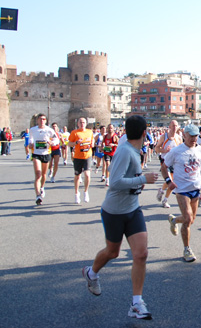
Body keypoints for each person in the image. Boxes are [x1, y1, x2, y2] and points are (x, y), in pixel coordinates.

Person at [82, 115, 158, 320]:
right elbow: (114, 182)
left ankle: (136, 303)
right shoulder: (125, 151)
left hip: (133, 209)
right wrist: (143, 179)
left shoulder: (134, 150)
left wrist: (138, 181)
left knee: (141, 254)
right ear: (144, 133)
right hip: (114, 212)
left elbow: (128, 180)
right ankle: (91, 273)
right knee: (113, 252)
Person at [161, 124, 201, 262]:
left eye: (195, 136)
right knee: (188, 219)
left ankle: (174, 220)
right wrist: (168, 181)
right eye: (191, 136)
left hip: (196, 188)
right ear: (184, 135)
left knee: (191, 220)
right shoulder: (176, 151)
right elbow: (164, 167)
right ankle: (187, 249)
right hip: (182, 190)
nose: (194, 139)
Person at [28, 114, 57, 205]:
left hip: (46, 153)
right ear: (37, 120)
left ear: (46, 120)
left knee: (44, 174)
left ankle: (42, 187)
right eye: (40, 119)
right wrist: (31, 144)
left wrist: (52, 142)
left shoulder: (49, 130)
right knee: (38, 174)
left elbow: (56, 139)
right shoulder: (33, 130)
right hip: (36, 154)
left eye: (44, 119)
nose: (42, 120)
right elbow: (30, 140)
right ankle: (38, 196)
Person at [155, 120, 182, 208]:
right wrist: (164, 150)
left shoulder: (179, 138)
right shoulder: (164, 137)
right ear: (169, 127)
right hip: (165, 161)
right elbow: (156, 148)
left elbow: (182, 149)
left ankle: (164, 198)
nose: (174, 127)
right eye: (173, 125)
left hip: (175, 162)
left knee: (172, 183)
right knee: (169, 180)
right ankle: (163, 192)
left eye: (176, 126)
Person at [68, 117, 94, 204]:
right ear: (78, 124)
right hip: (78, 157)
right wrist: (76, 143)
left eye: (83, 122)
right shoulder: (74, 133)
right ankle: (76, 193)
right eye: (80, 122)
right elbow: (69, 143)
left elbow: (92, 140)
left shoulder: (89, 132)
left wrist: (92, 143)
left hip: (87, 156)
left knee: (87, 175)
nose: (82, 124)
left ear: (86, 123)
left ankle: (86, 192)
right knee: (77, 176)